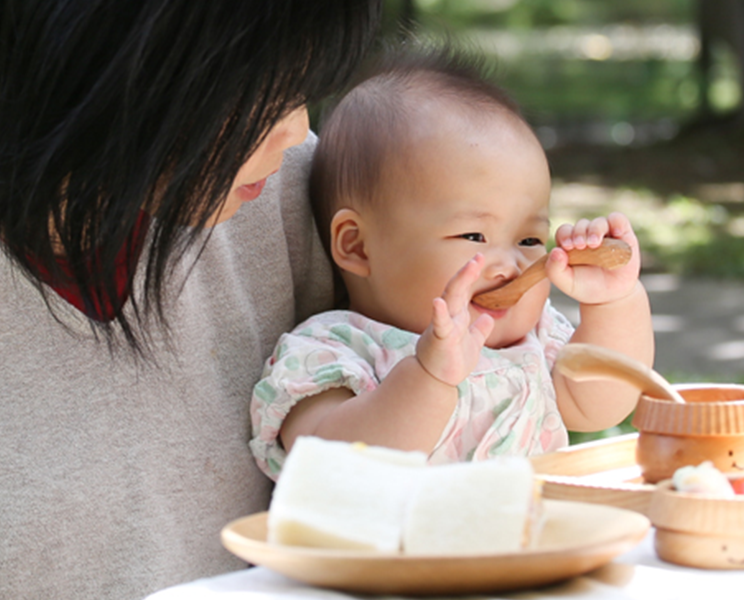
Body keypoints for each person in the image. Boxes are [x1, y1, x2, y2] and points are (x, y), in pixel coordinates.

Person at [0, 2, 382, 598]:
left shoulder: (299, 193)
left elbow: (498, 385)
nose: (297, 128)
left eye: (300, 86)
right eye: (263, 85)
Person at [250, 45, 654, 476]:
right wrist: (429, 378)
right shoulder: (332, 354)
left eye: (531, 238)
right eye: (474, 235)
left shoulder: (531, 342)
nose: (510, 265)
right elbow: (334, 463)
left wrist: (614, 303)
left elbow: (600, 406)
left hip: (524, 541)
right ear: (358, 247)